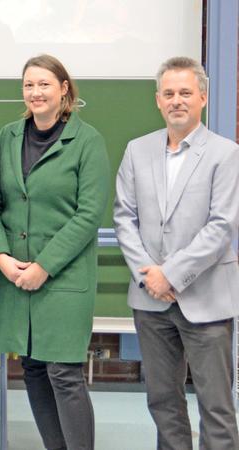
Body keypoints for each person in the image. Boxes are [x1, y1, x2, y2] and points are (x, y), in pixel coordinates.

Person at [113, 56, 239, 450]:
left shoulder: (226, 153)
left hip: (206, 299)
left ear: (202, 97)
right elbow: (123, 218)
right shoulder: (137, 151)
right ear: (157, 100)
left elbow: (221, 226)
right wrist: (149, 274)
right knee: (163, 402)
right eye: (169, 93)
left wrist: (171, 274)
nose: (177, 101)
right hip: (150, 301)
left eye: (185, 92)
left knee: (216, 407)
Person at [0, 54, 110, 450]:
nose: (35, 92)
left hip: (64, 278)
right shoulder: (8, 136)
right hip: (16, 276)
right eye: (28, 85)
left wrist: (44, 266)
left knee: (63, 372)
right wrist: (1, 256)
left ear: (63, 89)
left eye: (44, 84)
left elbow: (88, 215)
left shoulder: (86, 141)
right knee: (34, 368)